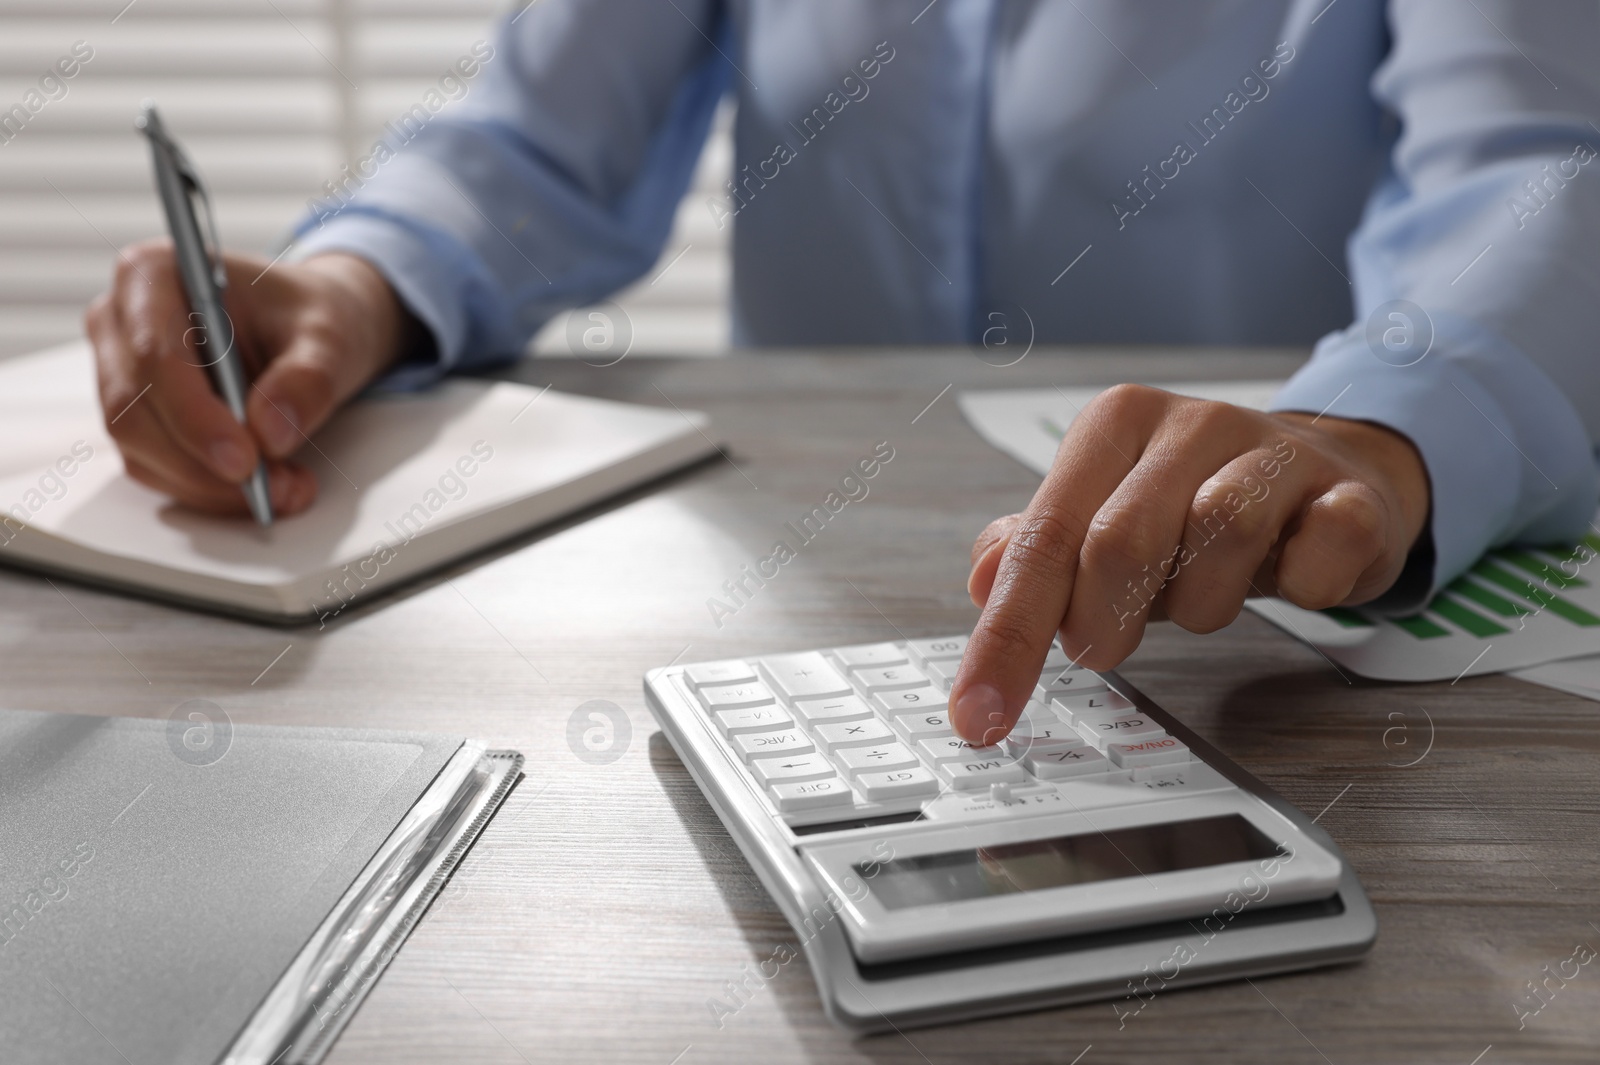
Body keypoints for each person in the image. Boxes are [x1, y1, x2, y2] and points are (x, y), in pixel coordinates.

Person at [86, 1, 1600, 745]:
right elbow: (536, 142)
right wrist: (362, 280)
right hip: (787, 617)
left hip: (1249, 653)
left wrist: (1383, 424)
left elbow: (1538, 168)